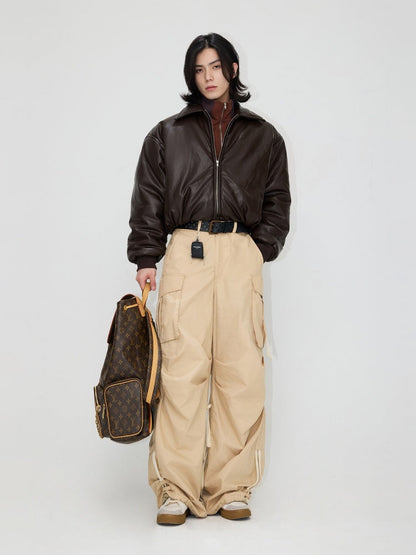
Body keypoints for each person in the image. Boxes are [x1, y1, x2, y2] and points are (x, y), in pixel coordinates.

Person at [127, 32, 291, 525]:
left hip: (239, 254)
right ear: (191, 75)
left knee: (240, 373)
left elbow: (277, 201)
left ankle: (231, 486)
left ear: (233, 69)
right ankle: (175, 489)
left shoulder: (264, 136)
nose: (208, 77)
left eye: (216, 67)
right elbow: (148, 197)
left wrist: (258, 249)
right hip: (185, 252)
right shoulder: (167, 134)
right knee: (180, 373)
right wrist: (146, 257)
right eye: (199, 69)